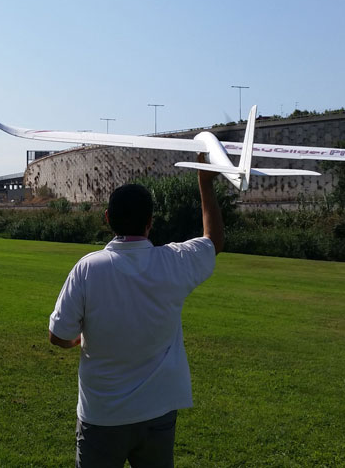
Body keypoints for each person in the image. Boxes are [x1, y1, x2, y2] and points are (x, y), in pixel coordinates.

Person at [48, 162, 224, 468]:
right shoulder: (174, 262)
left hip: (102, 414)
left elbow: (58, 336)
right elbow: (213, 241)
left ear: (107, 218)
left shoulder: (88, 268)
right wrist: (205, 182)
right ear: (150, 222)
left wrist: (77, 341)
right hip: (158, 411)